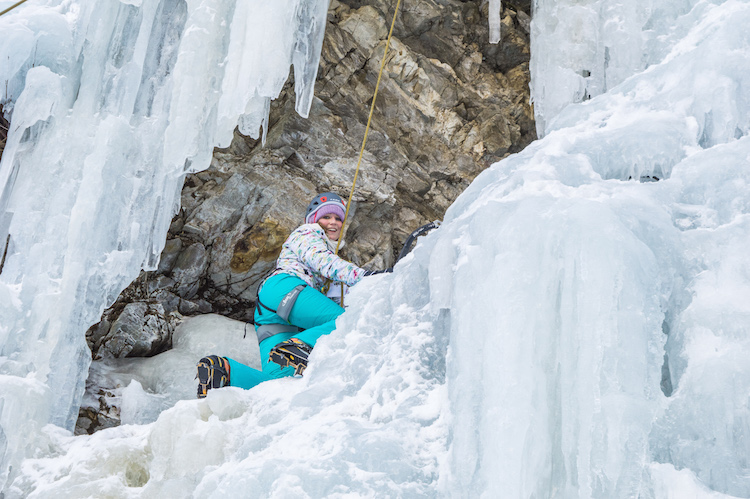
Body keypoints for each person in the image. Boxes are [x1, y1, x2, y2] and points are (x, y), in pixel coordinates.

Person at [196, 192, 381, 398]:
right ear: (312, 219)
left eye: (338, 218)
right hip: (284, 287)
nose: (333, 222)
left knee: (280, 383)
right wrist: (366, 276)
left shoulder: (322, 249)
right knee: (348, 322)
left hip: (269, 311)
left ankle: (225, 372)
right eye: (326, 216)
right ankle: (302, 344)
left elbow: (338, 295)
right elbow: (323, 261)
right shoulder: (308, 233)